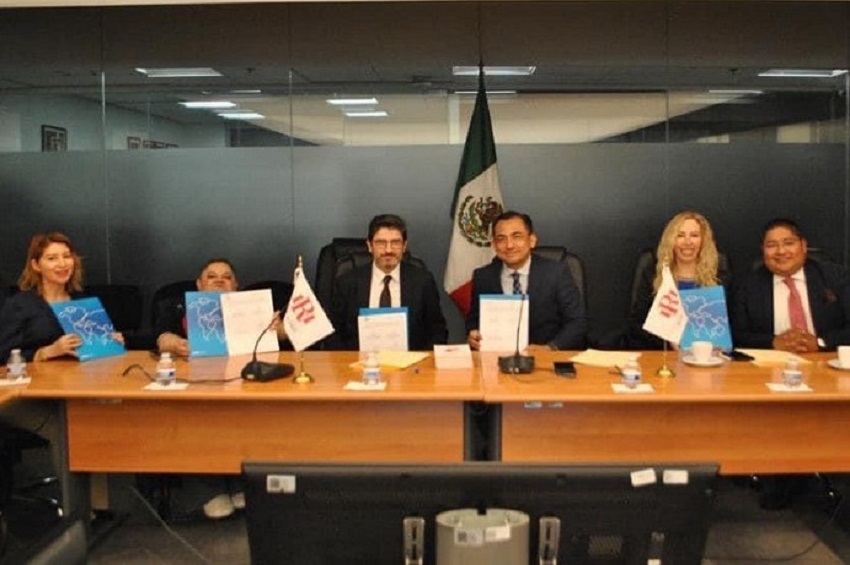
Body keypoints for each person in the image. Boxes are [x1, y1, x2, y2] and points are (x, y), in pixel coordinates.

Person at [731, 218, 850, 510]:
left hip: (828, 368)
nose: (780, 251)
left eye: (788, 243)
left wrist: (820, 342)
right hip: (770, 373)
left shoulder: (834, 277)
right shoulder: (748, 284)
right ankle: (782, 475)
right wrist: (773, 342)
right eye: (772, 245)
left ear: (803, 246)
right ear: (763, 251)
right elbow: (735, 335)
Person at [466, 211, 587, 351]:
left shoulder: (556, 273)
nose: (509, 245)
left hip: (546, 358)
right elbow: (474, 320)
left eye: (517, 237)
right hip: (497, 357)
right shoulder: (483, 277)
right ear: (494, 244)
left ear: (532, 240)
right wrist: (473, 334)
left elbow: (577, 322)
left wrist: (550, 348)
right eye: (501, 239)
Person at [330, 214, 448, 351]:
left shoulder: (423, 281)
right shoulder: (347, 282)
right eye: (381, 243)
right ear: (370, 246)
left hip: (410, 362)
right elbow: (334, 333)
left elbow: (438, 332)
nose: (388, 250)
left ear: (404, 246)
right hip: (359, 361)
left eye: (395, 243)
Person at [627, 210, 730, 349]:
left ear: (703, 241)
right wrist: (669, 342)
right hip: (661, 354)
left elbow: (728, 325)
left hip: (707, 356)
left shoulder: (719, 277)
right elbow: (636, 325)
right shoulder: (653, 274)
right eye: (680, 235)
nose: (687, 242)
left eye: (694, 235)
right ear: (671, 241)